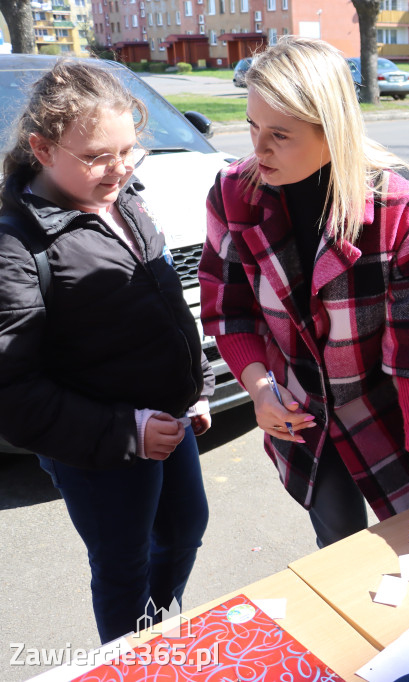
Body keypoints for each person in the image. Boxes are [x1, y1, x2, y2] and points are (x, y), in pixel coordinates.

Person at [199, 37, 409, 548]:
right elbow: (229, 309)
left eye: (279, 135)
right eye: (252, 126)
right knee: (338, 545)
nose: (258, 149)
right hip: (296, 407)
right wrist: (259, 388)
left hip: (385, 405)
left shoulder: (398, 207)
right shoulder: (234, 192)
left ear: (332, 130)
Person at [0, 59, 213, 643]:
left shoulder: (126, 198)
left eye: (128, 150)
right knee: (124, 564)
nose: (120, 168)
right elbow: (13, 392)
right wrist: (128, 431)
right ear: (42, 150)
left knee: (185, 529)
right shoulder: (16, 246)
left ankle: (154, 633)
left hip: (169, 419)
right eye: (97, 156)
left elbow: (167, 302)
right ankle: (130, 660)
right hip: (98, 447)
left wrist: (195, 385)